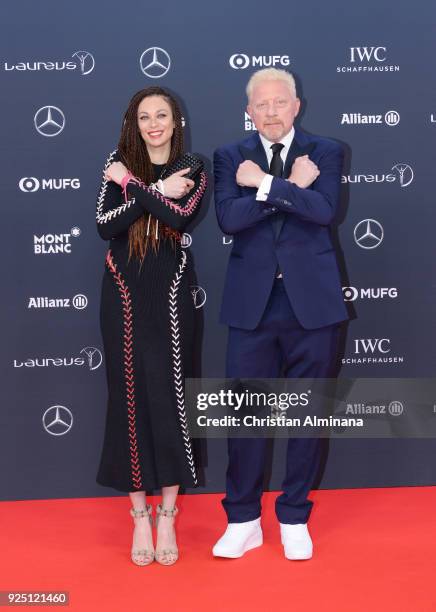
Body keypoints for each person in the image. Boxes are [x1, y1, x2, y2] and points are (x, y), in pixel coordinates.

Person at [213, 68, 348, 560]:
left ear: (297, 106)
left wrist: (265, 186)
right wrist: (288, 186)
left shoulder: (326, 151)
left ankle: (294, 517)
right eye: (261, 104)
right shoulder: (230, 156)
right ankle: (243, 518)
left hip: (312, 304)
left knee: (308, 415)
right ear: (249, 110)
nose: (271, 112)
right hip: (252, 306)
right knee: (246, 417)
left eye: (280, 102)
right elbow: (230, 218)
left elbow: (324, 210)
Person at [95, 86, 207, 566]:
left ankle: (167, 514)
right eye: (145, 116)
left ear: (176, 119)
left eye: (162, 114)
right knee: (128, 397)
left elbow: (179, 216)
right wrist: (153, 190)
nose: (154, 123)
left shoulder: (194, 167)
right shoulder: (118, 161)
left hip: (171, 296)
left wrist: (141, 188)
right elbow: (106, 224)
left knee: (170, 396)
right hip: (121, 293)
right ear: (134, 123)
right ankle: (138, 514)